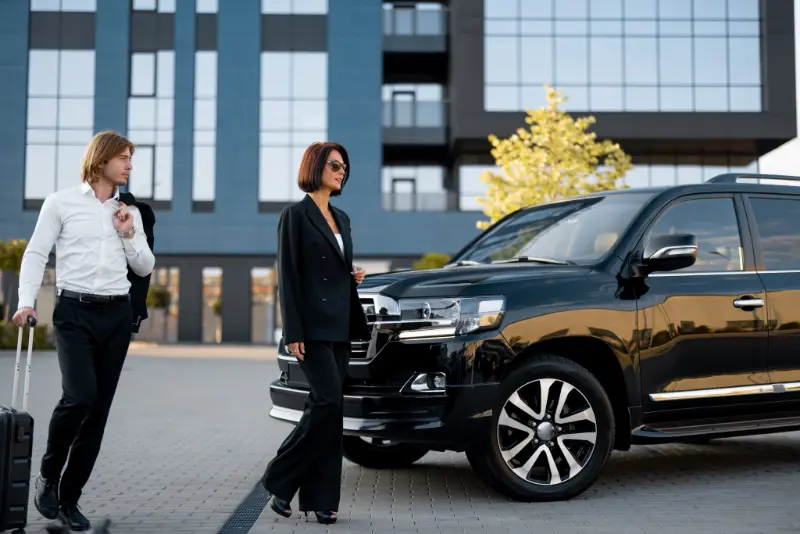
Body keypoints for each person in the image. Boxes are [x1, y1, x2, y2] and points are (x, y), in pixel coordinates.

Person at [13, 130, 155, 532]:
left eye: (131, 158)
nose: (129, 164)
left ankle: (69, 498)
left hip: (116, 315)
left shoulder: (130, 212)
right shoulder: (61, 203)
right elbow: (36, 252)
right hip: (74, 312)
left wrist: (128, 233)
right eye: (124, 157)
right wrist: (26, 302)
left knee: (98, 414)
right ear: (102, 160)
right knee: (79, 397)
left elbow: (144, 267)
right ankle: (47, 476)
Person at [261, 141, 370, 525]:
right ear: (316, 167)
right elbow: (288, 276)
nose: (342, 172)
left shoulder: (342, 216)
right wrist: (293, 330)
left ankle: (320, 500)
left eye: (345, 167)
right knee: (327, 404)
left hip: (341, 324)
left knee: (326, 411)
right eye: (336, 165)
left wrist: (351, 273)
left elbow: (335, 264)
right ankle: (279, 477)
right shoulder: (295, 215)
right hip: (311, 327)